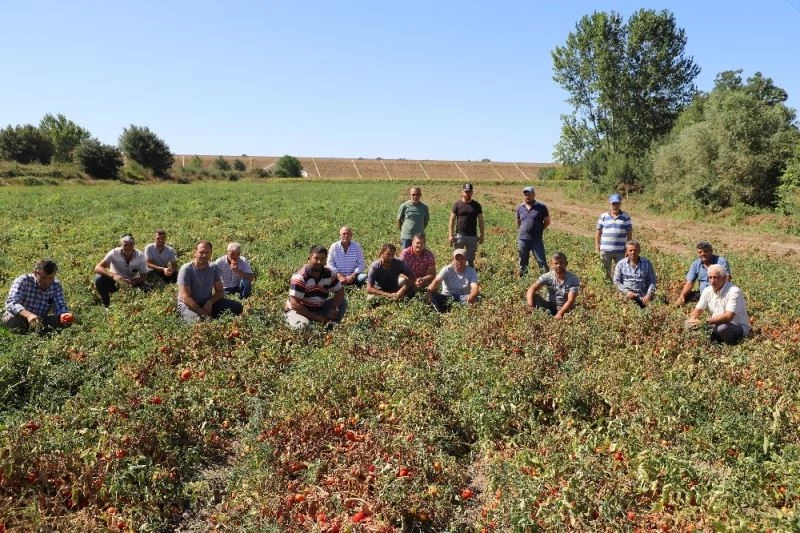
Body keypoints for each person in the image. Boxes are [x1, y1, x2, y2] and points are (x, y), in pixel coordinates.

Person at [177, 240, 243, 323]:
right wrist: (204, 314)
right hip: (188, 305)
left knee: (238, 307)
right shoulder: (186, 269)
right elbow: (186, 298)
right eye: (201, 252)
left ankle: (210, 316)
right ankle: (200, 317)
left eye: (207, 252)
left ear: (211, 253)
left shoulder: (213, 267)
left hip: (206, 302)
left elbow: (220, 292)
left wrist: (209, 302)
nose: (204, 255)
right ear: (195, 252)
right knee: (198, 322)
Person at [685, 264, 750, 345]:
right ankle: (713, 342)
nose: (712, 280)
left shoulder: (734, 291)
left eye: (715, 277)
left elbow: (728, 317)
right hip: (715, 324)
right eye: (710, 277)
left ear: (725, 278)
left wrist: (703, 322)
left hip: (736, 326)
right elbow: (697, 311)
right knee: (688, 324)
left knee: (722, 328)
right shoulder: (707, 290)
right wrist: (692, 319)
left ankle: (732, 345)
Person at [285, 245, 347, 329]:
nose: (319, 262)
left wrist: (334, 308)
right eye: (316, 258)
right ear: (309, 258)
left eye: (322, 259)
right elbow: (295, 304)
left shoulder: (329, 274)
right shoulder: (300, 277)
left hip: (319, 308)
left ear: (326, 260)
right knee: (303, 326)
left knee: (342, 302)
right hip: (298, 311)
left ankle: (331, 327)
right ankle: (297, 321)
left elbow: (340, 291)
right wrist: (316, 318)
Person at [3, 259, 72, 333]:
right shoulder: (23, 280)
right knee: (12, 318)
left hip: (39, 321)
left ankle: (36, 332)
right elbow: (11, 303)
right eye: (43, 278)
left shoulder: (55, 285)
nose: (47, 282)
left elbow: (60, 305)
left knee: (62, 322)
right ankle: (23, 333)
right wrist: (29, 315)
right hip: (20, 318)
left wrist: (63, 315)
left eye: (50, 278)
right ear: (35, 273)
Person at [94, 234, 151, 307]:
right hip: (116, 282)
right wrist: (113, 276)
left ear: (134, 244)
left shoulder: (140, 255)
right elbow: (97, 267)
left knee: (147, 291)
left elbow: (144, 275)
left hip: (132, 282)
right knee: (99, 279)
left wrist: (133, 282)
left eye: (130, 244)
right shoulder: (114, 253)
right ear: (121, 245)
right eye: (125, 245)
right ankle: (106, 305)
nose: (128, 247)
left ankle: (133, 306)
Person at [525, 252, 580, 319]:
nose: (559, 265)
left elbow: (571, 300)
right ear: (551, 265)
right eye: (556, 263)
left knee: (570, 312)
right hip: (550, 306)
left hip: (565, 308)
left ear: (566, 263)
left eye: (561, 262)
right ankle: (542, 315)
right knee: (533, 296)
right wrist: (530, 306)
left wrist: (560, 313)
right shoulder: (547, 276)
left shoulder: (573, 279)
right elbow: (532, 288)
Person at [426, 249, 481, 313]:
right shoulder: (447, 269)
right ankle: (441, 310)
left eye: (462, 258)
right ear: (453, 260)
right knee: (433, 296)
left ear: (466, 259)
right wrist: (429, 292)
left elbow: (475, 287)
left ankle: (458, 311)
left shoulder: (471, 271)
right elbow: (436, 281)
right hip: (446, 297)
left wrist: (472, 295)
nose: (459, 261)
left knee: (476, 299)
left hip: (463, 297)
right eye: (457, 259)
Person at [596, 194, 633, 281]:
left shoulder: (626, 217)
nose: (614, 206)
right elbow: (598, 233)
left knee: (620, 273)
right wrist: (597, 247)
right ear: (609, 204)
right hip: (605, 251)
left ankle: (618, 289)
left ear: (620, 204)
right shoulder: (603, 216)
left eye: (616, 204)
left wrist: (628, 248)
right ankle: (608, 290)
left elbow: (629, 234)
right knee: (605, 273)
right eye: (613, 204)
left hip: (620, 251)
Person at [516, 185, 551, 276]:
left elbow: (547, 221)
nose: (527, 196)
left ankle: (546, 282)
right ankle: (523, 282)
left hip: (536, 240)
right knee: (523, 263)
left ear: (534, 195)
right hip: (523, 239)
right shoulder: (520, 208)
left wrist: (540, 229)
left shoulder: (541, 207)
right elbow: (518, 222)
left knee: (542, 262)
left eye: (529, 194)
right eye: (525, 194)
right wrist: (522, 231)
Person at [448, 183, 484, 267]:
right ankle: (456, 276)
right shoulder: (457, 205)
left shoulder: (476, 205)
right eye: (466, 191)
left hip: (472, 236)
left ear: (472, 192)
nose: (467, 193)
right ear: (462, 192)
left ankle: (469, 277)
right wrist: (450, 235)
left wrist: (482, 235)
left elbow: (481, 221)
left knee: (470, 260)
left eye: (469, 191)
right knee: (456, 258)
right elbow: (452, 220)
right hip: (459, 236)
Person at [613, 240, 656, 308]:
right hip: (626, 297)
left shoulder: (647, 263)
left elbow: (652, 281)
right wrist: (626, 291)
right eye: (630, 250)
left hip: (643, 298)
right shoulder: (621, 264)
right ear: (626, 251)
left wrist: (648, 295)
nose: (633, 252)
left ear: (639, 251)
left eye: (635, 250)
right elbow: (616, 281)